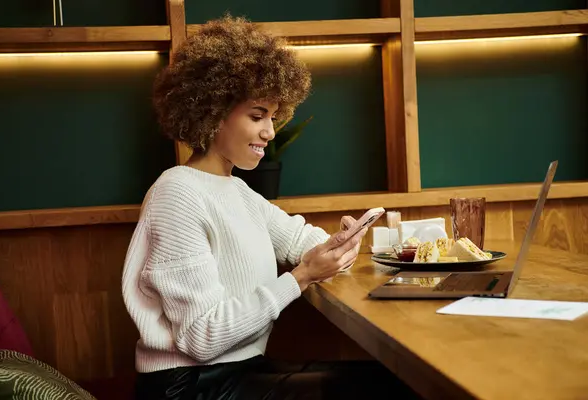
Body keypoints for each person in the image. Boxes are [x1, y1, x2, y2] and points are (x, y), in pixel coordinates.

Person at [122, 15, 419, 400]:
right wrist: (301, 278)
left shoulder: (238, 192)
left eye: (273, 118)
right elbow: (201, 337)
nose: (270, 132)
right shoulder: (177, 193)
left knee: (389, 379)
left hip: (238, 372)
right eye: (257, 116)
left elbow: (303, 241)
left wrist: (343, 241)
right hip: (191, 387)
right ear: (212, 112)